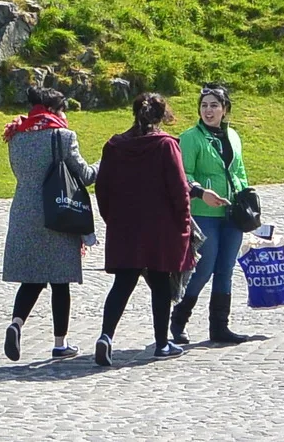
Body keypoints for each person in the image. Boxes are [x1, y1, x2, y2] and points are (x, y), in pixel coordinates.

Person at [93, 91, 193, 366]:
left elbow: (102, 188)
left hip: (124, 226)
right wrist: (183, 225)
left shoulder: (114, 146)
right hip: (159, 228)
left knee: (122, 284)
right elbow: (179, 190)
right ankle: (162, 343)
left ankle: (106, 335)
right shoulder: (166, 146)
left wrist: (111, 217)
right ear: (161, 117)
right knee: (160, 283)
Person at [2, 86, 96, 361]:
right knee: (60, 281)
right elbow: (86, 175)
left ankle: (16, 324)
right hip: (58, 213)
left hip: (25, 213)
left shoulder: (16, 136)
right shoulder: (63, 137)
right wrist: (105, 163)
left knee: (32, 278)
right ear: (54, 110)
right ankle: (60, 343)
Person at [170, 82, 255, 347]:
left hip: (231, 214)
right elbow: (183, 174)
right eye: (204, 106)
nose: (208, 111)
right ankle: (179, 318)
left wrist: (243, 193)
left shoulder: (233, 137)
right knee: (204, 268)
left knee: (225, 269)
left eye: (214, 106)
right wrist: (201, 191)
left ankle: (220, 326)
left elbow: (239, 171)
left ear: (225, 109)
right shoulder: (191, 137)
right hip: (204, 212)